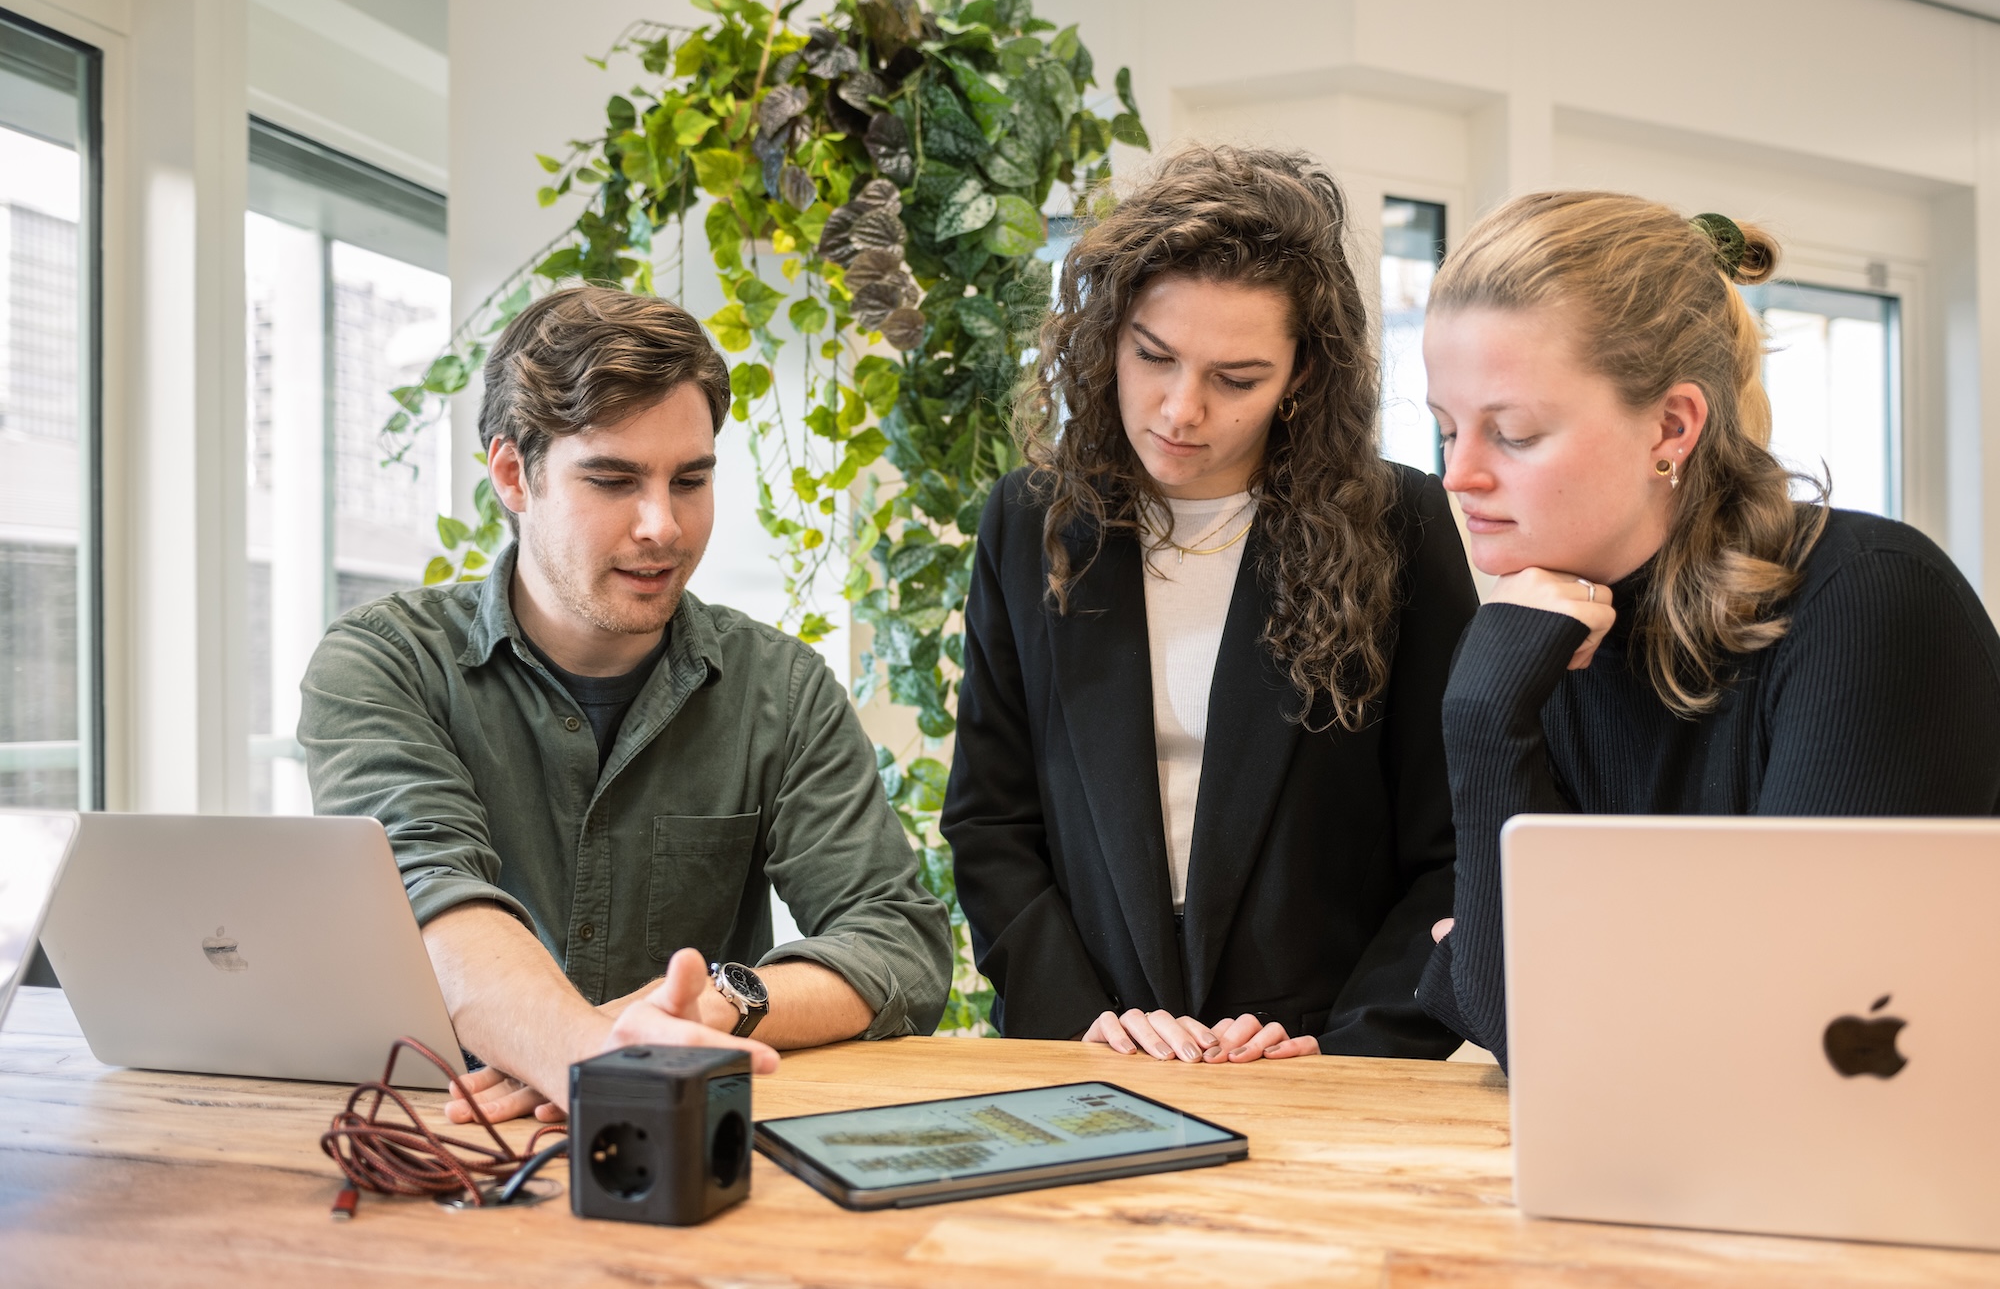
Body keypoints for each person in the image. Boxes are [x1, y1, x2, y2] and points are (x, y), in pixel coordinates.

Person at [301, 285, 952, 1122]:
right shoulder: (387, 664)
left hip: (687, 1127)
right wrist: (592, 1054)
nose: (663, 526)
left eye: (690, 480)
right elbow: (430, 894)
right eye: (613, 480)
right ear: (513, 476)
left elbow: (898, 941)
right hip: (448, 1132)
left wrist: (721, 1002)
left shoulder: (779, 688)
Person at [1415, 193, 2000, 1073]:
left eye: (1515, 433)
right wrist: (1482, 716)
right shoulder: (1529, 640)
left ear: (1672, 425)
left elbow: (1806, 1023)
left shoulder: (1870, 599)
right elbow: (1518, 1026)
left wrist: (1582, 951)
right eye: (1448, 430)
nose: (1459, 476)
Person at [942, 145, 1478, 1065]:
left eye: (1237, 379)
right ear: (1105, 331)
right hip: (1094, 1046)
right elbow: (993, 822)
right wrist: (1080, 1019)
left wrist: (1354, 1046)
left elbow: (1455, 840)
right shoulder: (1032, 520)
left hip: (1325, 1054)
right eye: (1153, 356)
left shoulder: (1398, 525)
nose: (1181, 410)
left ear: (1303, 376)